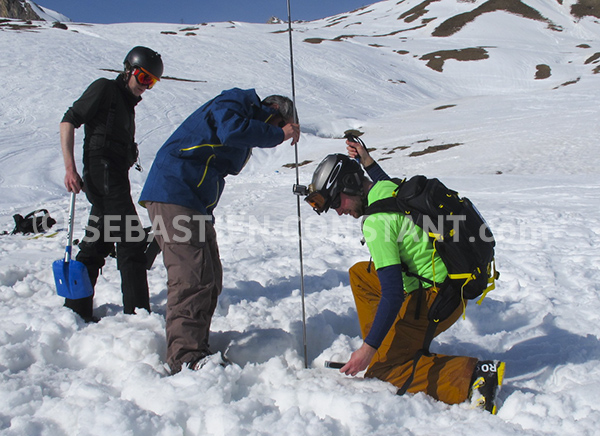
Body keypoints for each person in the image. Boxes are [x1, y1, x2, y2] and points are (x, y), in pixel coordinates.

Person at [304, 140, 505, 413]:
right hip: (447, 286)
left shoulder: (376, 223)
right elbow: (382, 181)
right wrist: (368, 161)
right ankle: (388, 345)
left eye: (338, 202)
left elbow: (393, 293)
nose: (339, 211)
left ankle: (473, 376)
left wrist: (368, 350)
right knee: (361, 275)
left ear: (351, 185)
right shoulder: (384, 190)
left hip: (437, 300)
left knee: (384, 369)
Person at [139, 87, 300, 374]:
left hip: (193, 202)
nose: (276, 134)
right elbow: (232, 130)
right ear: (273, 111)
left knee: (209, 277)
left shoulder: (245, 127)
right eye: (278, 124)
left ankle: (195, 344)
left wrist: (272, 133)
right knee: (191, 277)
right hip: (175, 191)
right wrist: (279, 133)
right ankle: (185, 357)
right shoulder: (236, 101)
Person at [60, 46, 164, 322]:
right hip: (101, 171)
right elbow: (69, 121)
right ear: (129, 70)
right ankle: (138, 315)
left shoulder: (126, 105)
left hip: (114, 175)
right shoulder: (105, 89)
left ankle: (75, 310)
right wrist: (70, 168)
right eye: (144, 78)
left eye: (152, 82)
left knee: (96, 243)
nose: (146, 87)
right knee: (130, 241)